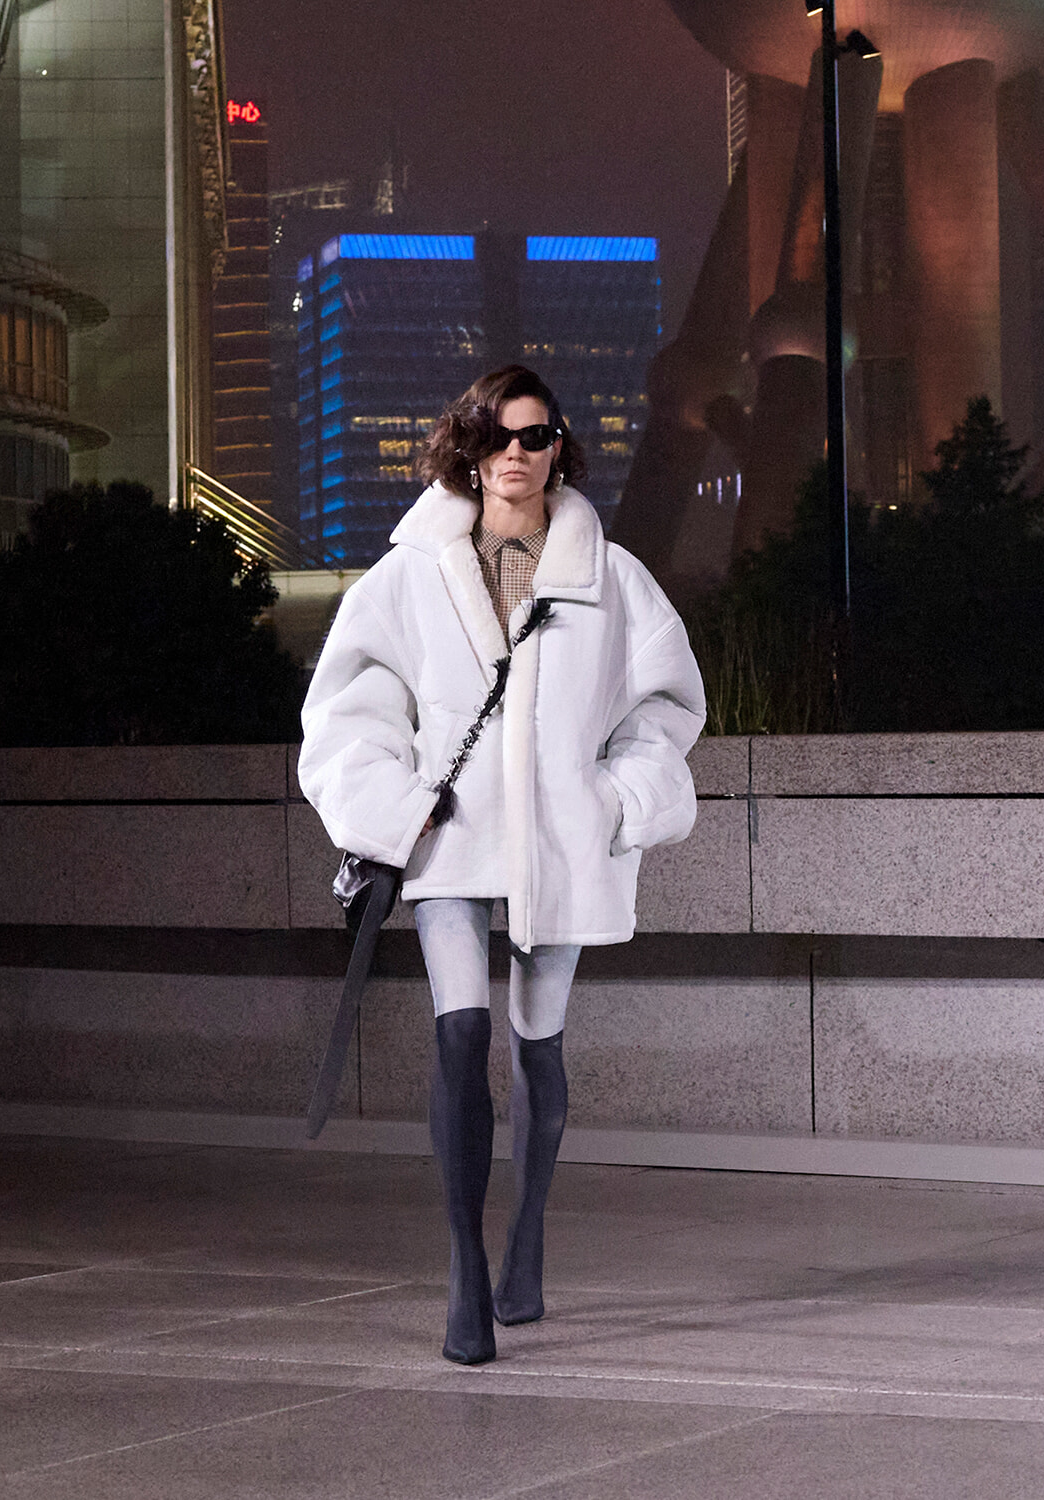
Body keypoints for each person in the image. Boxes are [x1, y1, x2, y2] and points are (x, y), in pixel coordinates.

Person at [298, 365, 706, 1365]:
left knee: (537, 1045)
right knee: (457, 1037)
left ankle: (525, 1243)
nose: (516, 453)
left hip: (561, 847)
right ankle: (464, 1272)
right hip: (448, 839)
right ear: (467, 450)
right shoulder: (406, 574)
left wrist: (616, 800)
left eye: (534, 434)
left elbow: (666, 711)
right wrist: (396, 807)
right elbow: (348, 713)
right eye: (496, 437)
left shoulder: (614, 577)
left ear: (560, 443)